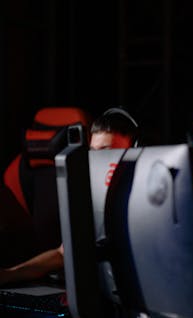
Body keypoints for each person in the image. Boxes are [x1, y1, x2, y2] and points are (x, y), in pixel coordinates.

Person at [0, 108, 138, 287]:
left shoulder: (143, 202)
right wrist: (10, 274)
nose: (97, 160)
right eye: (93, 152)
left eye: (106, 151)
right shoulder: (91, 195)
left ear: (134, 150)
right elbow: (63, 254)